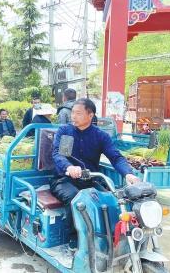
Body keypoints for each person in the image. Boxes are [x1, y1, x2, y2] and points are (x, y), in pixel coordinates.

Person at [51, 98, 140, 248]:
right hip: (63, 180)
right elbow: (59, 155)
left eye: (78, 113)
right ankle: (74, 241)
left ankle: (110, 238)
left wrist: (128, 174)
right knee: (76, 199)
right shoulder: (66, 132)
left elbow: (115, 157)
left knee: (112, 200)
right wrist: (69, 168)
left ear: (90, 115)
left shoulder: (100, 136)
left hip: (90, 180)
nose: (73, 116)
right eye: (73, 112)